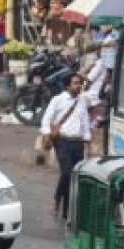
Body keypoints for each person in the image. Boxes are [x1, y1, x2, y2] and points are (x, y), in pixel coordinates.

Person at [40, 72, 92, 220]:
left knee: (74, 176)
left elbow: (85, 122)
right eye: (75, 83)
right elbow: (46, 120)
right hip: (62, 141)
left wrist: (87, 142)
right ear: (68, 85)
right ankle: (57, 199)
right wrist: (47, 134)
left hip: (77, 142)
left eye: (80, 83)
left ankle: (66, 211)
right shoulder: (58, 100)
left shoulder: (82, 101)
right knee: (67, 172)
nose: (78, 86)